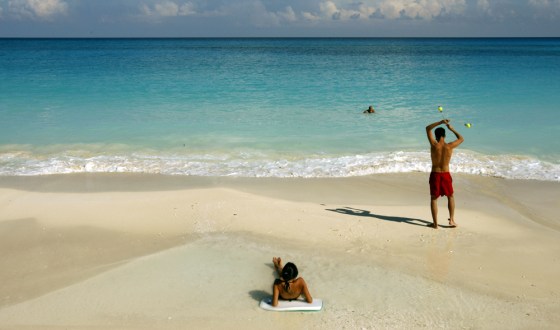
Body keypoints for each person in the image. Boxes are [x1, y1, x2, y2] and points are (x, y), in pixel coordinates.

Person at [425, 119, 464, 229]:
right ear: (444, 135)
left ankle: (435, 224)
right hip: (446, 174)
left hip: (435, 174)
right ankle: (451, 220)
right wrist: (452, 129)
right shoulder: (449, 146)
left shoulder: (434, 145)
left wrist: (440, 122)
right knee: (450, 197)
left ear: (436, 136)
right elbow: (461, 139)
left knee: (434, 198)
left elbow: (427, 128)